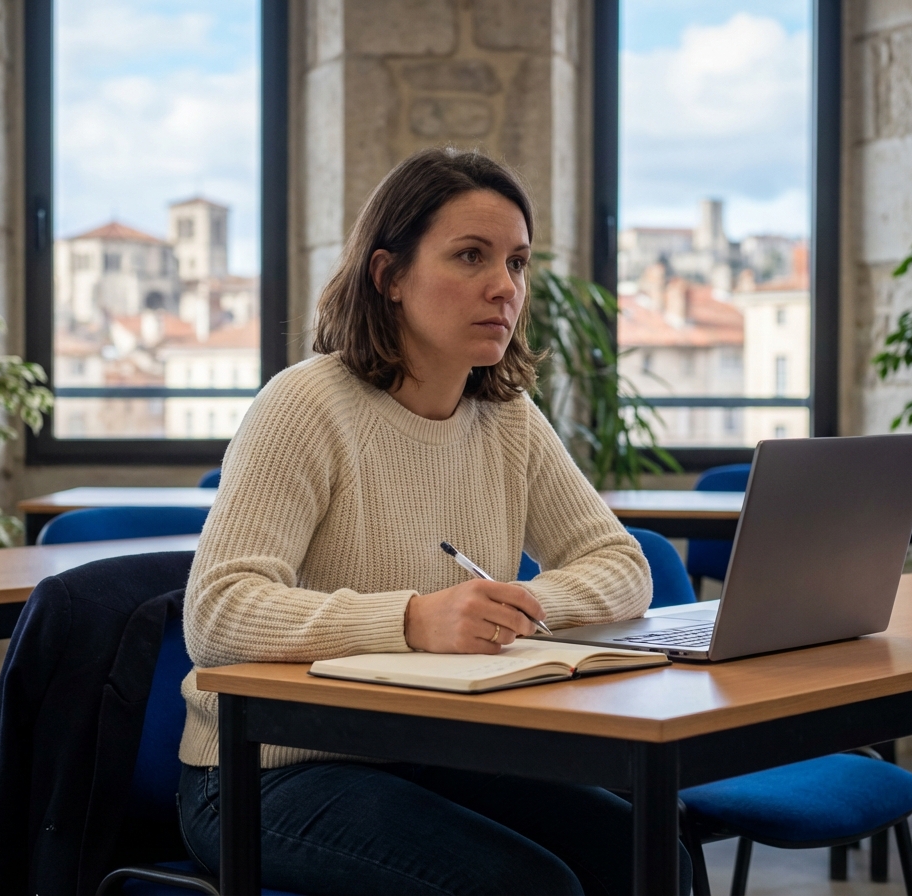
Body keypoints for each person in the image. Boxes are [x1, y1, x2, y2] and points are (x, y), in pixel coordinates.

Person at [177, 146, 692, 895]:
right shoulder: (304, 405)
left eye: (516, 263)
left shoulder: (506, 416)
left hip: (432, 748)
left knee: (646, 855)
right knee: (523, 886)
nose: (502, 288)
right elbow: (218, 614)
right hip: (266, 774)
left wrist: (517, 609)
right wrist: (415, 620)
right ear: (388, 277)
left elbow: (622, 565)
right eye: (470, 257)